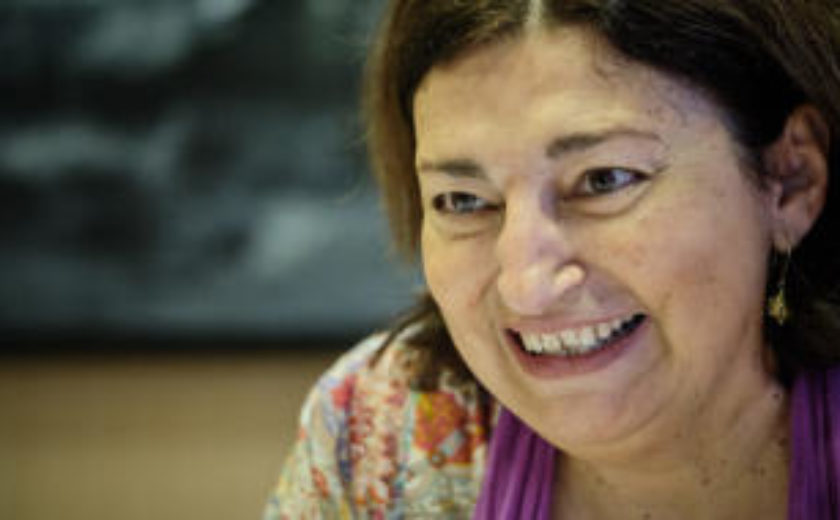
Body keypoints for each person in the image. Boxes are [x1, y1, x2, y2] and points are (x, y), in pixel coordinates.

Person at [264, 1, 840, 518]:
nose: (526, 286)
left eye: (604, 180)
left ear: (790, 181)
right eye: (463, 201)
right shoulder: (377, 433)